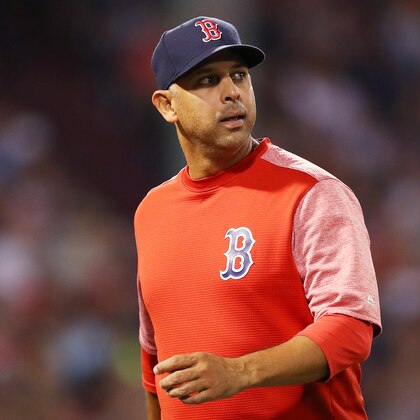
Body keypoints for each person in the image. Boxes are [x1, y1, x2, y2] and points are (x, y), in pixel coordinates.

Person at [135, 16, 382, 419]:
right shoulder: (152, 211)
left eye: (239, 75)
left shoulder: (311, 192)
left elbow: (352, 328)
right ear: (167, 105)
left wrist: (240, 371)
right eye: (207, 80)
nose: (231, 92)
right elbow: (155, 364)